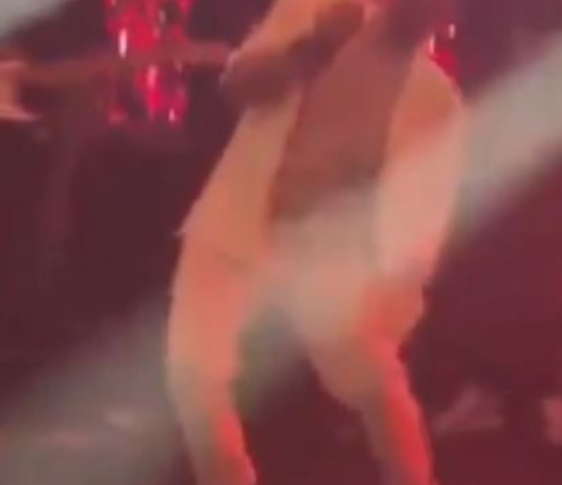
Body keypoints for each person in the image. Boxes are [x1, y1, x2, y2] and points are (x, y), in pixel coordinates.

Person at [165, 1, 463, 485]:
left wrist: (394, 290)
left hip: (325, 250)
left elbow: (423, 219)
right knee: (194, 374)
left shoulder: (435, 102)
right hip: (238, 217)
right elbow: (236, 86)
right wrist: (313, 51)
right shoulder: (319, 11)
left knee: (374, 383)